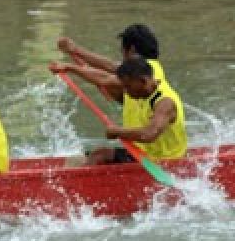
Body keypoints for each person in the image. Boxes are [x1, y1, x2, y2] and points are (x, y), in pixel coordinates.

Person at [51, 24, 186, 164]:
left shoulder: (162, 97)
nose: (125, 89)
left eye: (127, 86)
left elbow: (149, 134)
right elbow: (109, 70)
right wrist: (74, 56)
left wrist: (117, 131)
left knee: (99, 156)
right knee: (78, 159)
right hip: (142, 151)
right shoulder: (143, 72)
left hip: (162, 160)